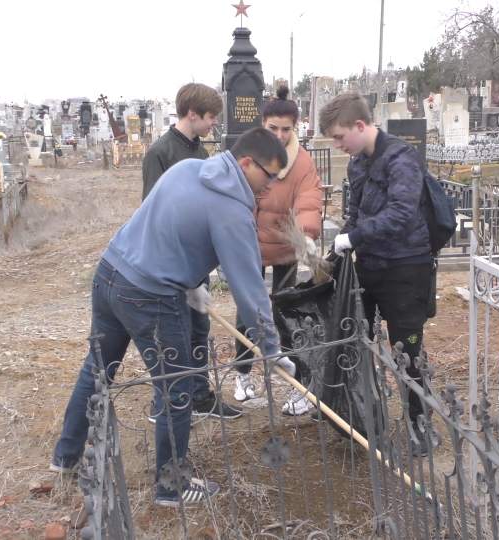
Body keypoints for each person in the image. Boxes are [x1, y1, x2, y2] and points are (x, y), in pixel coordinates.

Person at [51, 127, 297, 506]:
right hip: (149, 294)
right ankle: (172, 486)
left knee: (98, 369)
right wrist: (270, 348)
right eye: (269, 176)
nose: (271, 187)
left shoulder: (189, 169)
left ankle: (65, 457)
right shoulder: (232, 209)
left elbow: (168, 227)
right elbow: (248, 290)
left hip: (110, 273)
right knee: (177, 388)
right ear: (246, 163)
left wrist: (191, 280)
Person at [319, 92, 433, 456]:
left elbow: (401, 212)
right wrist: (344, 238)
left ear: (359, 125)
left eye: (340, 138)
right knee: (358, 344)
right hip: (368, 269)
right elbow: (357, 213)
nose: (338, 146)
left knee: (408, 353)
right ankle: (365, 422)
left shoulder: (401, 157)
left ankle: (420, 428)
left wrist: (355, 236)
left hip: (405, 268)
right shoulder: (357, 164)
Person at [139, 82, 240, 422]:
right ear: (192, 114)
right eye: (211, 117)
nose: (215, 124)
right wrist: (179, 275)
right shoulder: (160, 153)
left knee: (199, 332)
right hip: (171, 267)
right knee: (173, 336)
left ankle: (199, 395)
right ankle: (167, 403)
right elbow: (155, 216)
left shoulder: (201, 153)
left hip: (197, 265)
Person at [233, 86, 322, 416]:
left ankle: (296, 385)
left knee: (285, 314)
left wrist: (307, 233)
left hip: (284, 247)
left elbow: (309, 200)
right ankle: (242, 375)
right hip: (247, 247)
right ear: (263, 123)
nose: (281, 135)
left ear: (295, 127)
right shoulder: (248, 153)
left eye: (287, 129)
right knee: (247, 315)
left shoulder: (302, 164)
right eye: (274, 128)